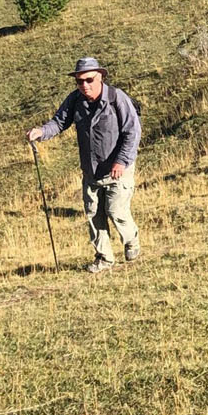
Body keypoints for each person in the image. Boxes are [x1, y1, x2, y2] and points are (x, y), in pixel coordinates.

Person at [27, 57, 141, 273]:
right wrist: (41, 132)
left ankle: (131, 239)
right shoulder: (75, 100)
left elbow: (132, 132)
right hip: (91, 170)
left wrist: (121, 161)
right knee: (93, 214)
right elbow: (59, 122)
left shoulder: (118, 98)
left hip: (118, 168)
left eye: (89, 80)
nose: (84, 85)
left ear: (101, 77)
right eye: (79, 81)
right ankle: (104, 258)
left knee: (116, 210)